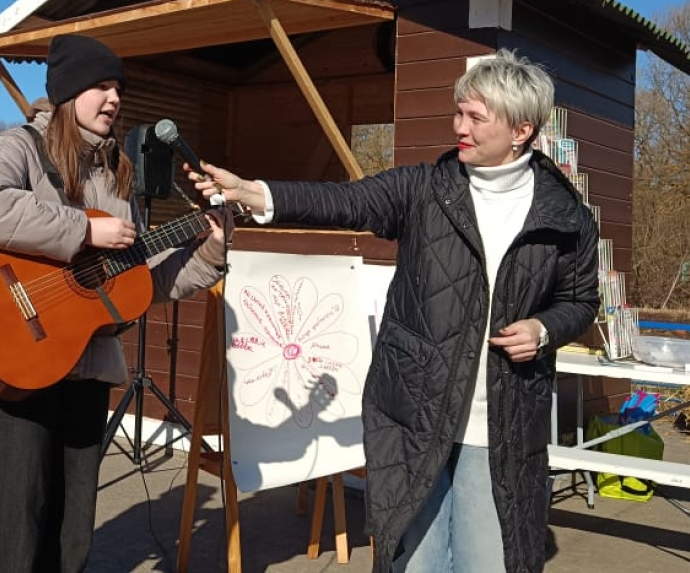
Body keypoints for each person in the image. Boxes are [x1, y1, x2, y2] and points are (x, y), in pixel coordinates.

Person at [191, 49, 599, 573]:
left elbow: (581, 301)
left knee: (486, 563)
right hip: (415, 417)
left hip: (498, 425)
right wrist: (257, 194)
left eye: (476, 117)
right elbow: (346, 203)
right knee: (416, 564)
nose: (460, 126)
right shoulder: (425, 190)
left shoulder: (564, 216)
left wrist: (545, 328)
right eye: (459, 112)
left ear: (521, 131)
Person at [0, 33, 229, 573]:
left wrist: (210, 248)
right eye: (101, 85)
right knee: (15, 526)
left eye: (118, 87)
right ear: (69, 91)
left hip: (86, 366)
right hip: (15, 355)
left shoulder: (116, 172)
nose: (114, 97)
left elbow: (143, 282)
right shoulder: (21, 147)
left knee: (72, 530)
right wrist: (82, 231)